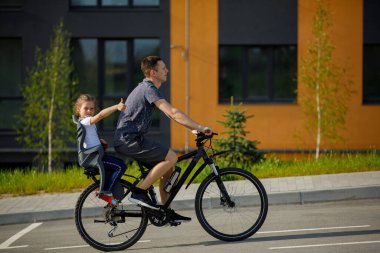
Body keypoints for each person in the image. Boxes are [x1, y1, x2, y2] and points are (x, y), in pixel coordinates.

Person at [114, 56, 212, 222]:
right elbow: (173, 112)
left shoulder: (148, 88)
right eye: (163, 68)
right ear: (153, 72)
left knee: (168, 169)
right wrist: (201, 126)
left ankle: (165, 211)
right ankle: (139, 192)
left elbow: (171, 115)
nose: (167, 71)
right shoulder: (148, 88)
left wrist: (194, 129)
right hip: (129, 139)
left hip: (130, 139)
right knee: (171, 157)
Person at [74, 94, 127, 206]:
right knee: (120, 166)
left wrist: (100, 141)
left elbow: (88, 138)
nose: (89, 111)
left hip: (96, 155)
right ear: (79, 110)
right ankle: (105, 191)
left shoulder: (88, 123)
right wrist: (116, 107)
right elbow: (101, 115)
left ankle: (112, 200)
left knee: (120, 164)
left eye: (92, 108)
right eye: (86, 108)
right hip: (92, 158)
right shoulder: (85, 121)